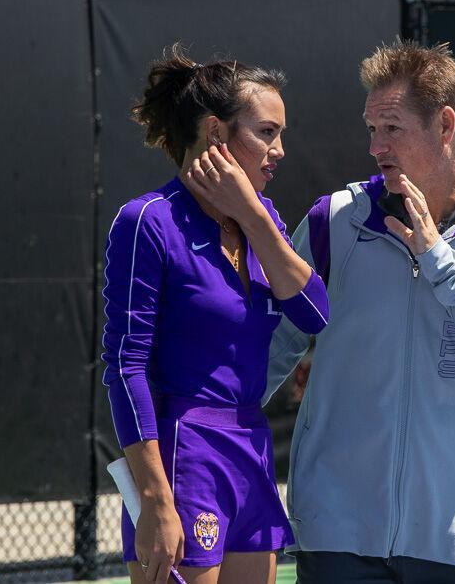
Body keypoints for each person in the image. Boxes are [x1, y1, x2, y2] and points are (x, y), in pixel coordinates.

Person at [257, 42, 455, 583]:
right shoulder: (333, 220)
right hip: (336, 530)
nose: (375, 145)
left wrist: (441, 261)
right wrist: (196, 427)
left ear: (445, 125)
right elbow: (275, 343)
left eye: (392, 128)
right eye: (371, 128)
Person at [101, 43, 328, 584]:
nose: (279, 150)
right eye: (267, 132)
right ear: (217, 134)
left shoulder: (262, 218)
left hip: (250, 447)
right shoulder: (147, 222)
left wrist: (251, 213)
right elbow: (124, 368)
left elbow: (314, 311)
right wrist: (156, 500)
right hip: (183, 454)